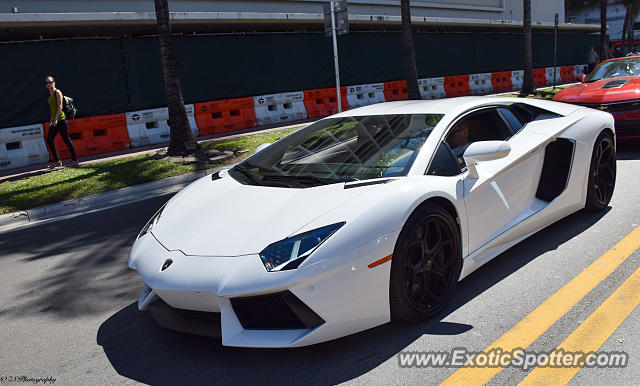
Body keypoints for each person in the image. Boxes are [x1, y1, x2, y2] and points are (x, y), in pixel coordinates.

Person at [45, 75, 78, 168]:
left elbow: (60, 106)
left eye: (50, 82)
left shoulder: (57, 92)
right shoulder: (50, 94)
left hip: (61, 120)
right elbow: (53, 109)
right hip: (55, 120)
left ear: (54, 82)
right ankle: (57, 161)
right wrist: (51, 120)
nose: (49, 84)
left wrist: (55, 120)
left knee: (66, 139)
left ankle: (75, 160)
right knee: (49, 140)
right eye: (47, 83)